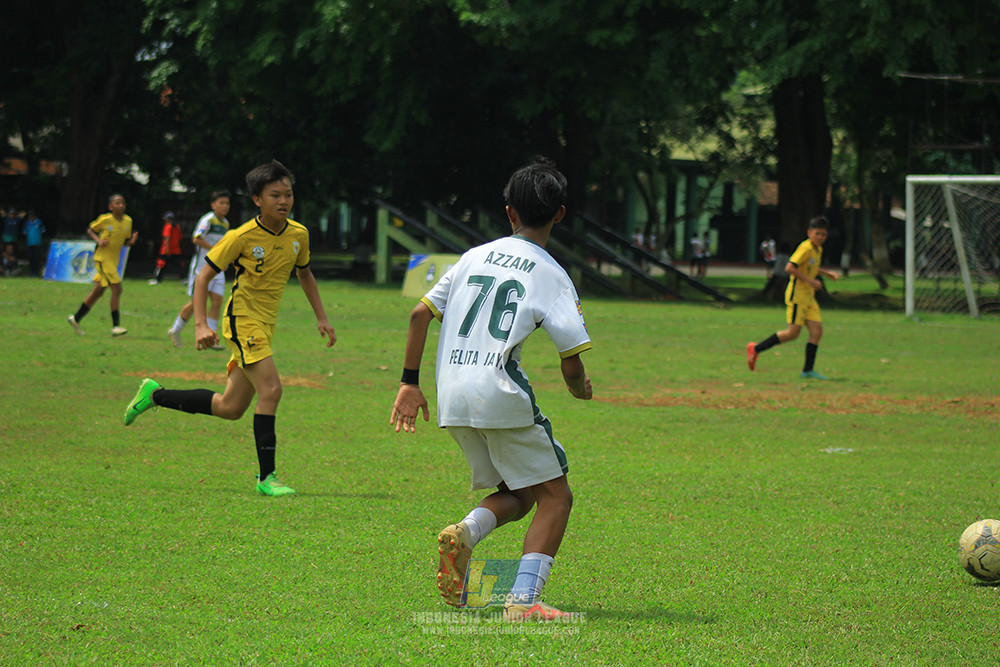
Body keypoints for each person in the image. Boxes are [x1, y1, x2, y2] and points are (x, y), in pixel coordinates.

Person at [390, 156, 593, 621]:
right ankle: (524, 602)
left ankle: (464, 532)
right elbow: (570, 363)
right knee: (557, 496)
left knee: (519, 493)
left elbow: (420, 313)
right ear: (560, 214)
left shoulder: (473, 256)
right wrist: (581, 389)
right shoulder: (554, 275)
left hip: (452, 394)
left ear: (509, 213)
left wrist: (408, 383)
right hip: (499, 391)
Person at [124, 160, 336, 497]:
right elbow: (203, 276)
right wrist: (199, 325)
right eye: (275, 195)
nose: (284, 201)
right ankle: (267, 477)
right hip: (241, 320)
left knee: (230, 407)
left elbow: (305, 273)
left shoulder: (299, 234)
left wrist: (321, 317)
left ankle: (155, 394)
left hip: (266, 325)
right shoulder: (240, 236)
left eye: (288, 194)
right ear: (257, 199)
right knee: (272, 390)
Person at [746, 215, 839, 379]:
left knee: (816, 332)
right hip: (797, 296)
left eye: (823, 234)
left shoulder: (818, 249)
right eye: (817, 233)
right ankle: (755, 349)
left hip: (809, 297)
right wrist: (810, 281)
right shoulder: (805, 248)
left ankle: (807, 371)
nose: (820, 237)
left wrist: (826, 274)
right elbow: (790, 268)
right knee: (792, 333)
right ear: (809, 232)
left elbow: (810, 267)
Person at [67, 194, 138, 336]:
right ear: (110, 207)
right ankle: (115, 326)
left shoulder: (128, 221)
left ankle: (76, 318)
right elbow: (90, 230)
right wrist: (98, 241)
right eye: (117, 203)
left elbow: (124, 240)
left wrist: (130, 242)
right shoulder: (105, 220)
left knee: (98, 292)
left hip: (113, 261)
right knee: (117, 289)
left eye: (123, 203)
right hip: (102, 259)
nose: (121, 205)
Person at [168, 191, 231, 348]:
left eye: (227, 203)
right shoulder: (207, 220)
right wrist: (215, 251)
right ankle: (175, 330)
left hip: (217, 270)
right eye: (221, 203)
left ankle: (212, 339)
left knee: (217, 303)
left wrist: (224, 259)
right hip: (202, 269)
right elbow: (196, 238)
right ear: (213, 205)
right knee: (196, 303)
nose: (225, 206)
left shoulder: (226, 224)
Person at [149, 212, 184, 284]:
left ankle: (157, 280)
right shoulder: (177, 227)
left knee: (161, 264)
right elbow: (180, 238)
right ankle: (184, 279)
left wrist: (167, 248)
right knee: (179, 265)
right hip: (176, 250)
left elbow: (167, 237)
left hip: (166, 250)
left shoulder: (168, 226)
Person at [22, 210, 46, 276]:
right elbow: (25, 232)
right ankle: (31, 272)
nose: (31, 216)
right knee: (31, 258)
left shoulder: (39, 222)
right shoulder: (27, 223)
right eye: (30, 215)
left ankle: (36, 272)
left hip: (37, 243)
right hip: (30, 243)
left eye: (32, 215)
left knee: (36, 258)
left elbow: (43, 231)